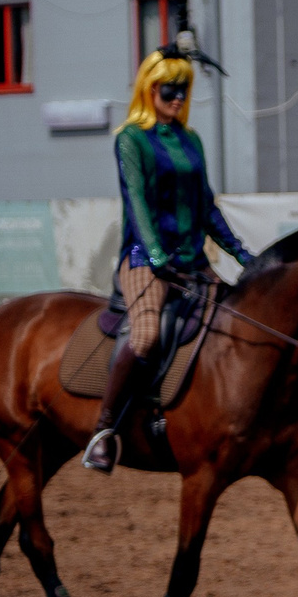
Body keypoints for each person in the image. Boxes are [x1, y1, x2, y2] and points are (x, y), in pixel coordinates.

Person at [83, 44, 251, 471]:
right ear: (149, 89)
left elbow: (206, 206)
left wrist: (244, 255)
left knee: (236, 325)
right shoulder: (130, 139)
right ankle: (104, 430)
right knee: (145, 337)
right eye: (168, 89)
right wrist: (156, 255)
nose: (177, 97)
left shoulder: (191, 140)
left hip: (194, 261)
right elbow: (135, 200)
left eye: (184, 89)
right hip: (145, 262)